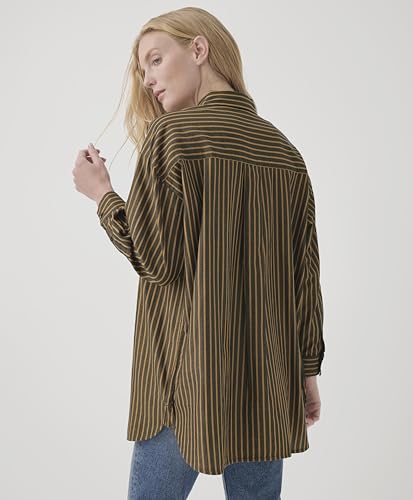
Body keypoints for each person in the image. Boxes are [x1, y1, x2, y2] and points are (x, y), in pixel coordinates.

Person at [72, 6, 325, 500]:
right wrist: (306, 370)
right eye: (143, 69)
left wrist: (102, 195)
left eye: (155, 59)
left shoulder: (172, 136)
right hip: (267, 386)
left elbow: (153, 260)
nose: (148, 79)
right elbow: (305, 275)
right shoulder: (284, 151)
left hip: (186, 385)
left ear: (199, 49)